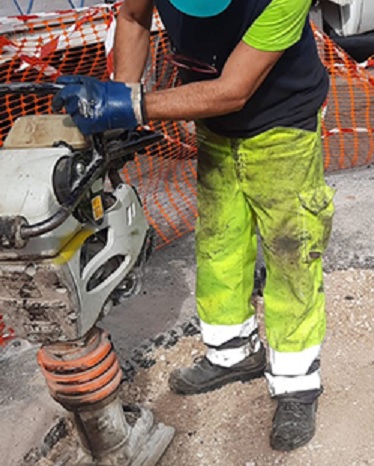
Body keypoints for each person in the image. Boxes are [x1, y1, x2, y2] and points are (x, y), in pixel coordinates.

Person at [52, 0, 334, 452]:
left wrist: (133, 107)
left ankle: (296, 383)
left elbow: (234, 89)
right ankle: (231, 353)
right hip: (214, 125)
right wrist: (120, 97)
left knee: (290, 252)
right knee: (219, 240)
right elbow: (132, 16)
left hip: (283, 124)